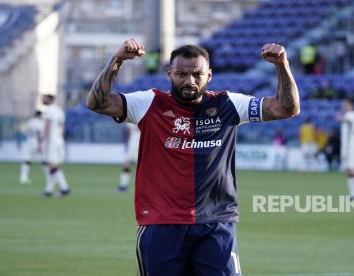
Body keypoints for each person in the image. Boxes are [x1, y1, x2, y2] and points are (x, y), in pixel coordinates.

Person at [86, 38, 300, 276]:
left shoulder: (228, 104)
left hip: (215, 223)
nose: (189, 81)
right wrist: (117, 60)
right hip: (162, 224)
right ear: (169, 74)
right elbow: (97, 103)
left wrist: (282, 65)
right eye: (181, 74)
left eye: (197, 74)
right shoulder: (149, 102)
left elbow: (286, 108)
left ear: (209, 75)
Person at [41, 94, 70, 197]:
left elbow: (47, 125)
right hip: (59, 140)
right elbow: (62, 126)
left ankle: (64, 188)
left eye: (43, 98)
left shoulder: (49, 110)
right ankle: (49, 190)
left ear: (49, 99)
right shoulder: (59, 110)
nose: (42, 100)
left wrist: (42, 140)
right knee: (52, 165)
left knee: (50, 165)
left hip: (51, 140)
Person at [338, 99, 354, 201]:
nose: (343, 106)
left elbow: (349, 121)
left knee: (351, 170)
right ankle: (353, 195)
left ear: (351, 105)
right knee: (349, 171)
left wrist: (342, 119)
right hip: (349, 147)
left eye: (345, 104)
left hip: (352, 147)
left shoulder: (352, 115)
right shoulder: (350, 115)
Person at [19, 111, 46, 184]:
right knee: (44, 160)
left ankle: (23, 178)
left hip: (28, 141)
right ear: (40, 115)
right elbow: (40, 134)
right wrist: (40, 144)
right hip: (37, 141)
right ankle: (50, 177)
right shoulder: (41, 123)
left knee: (27, 159)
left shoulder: (30, 122)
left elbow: (25, 130)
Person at [117, 122, 140, 191]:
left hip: (135, 142)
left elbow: (129, 132)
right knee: (127, 163)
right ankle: (123, 185)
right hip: (134, 142)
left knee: (128, 163)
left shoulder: (133, 116)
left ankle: (123, 186)